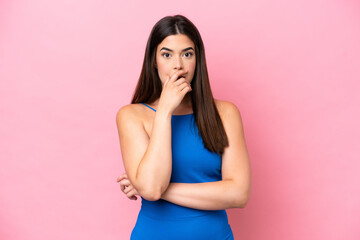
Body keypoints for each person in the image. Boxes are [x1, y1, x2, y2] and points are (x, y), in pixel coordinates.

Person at [115, 14, 251, 240]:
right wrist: (165, 111)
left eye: (187, 54)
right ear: (153, 61)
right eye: (167, 55)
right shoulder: (131, 116)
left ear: (198, 60)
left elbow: (238, 194)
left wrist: (153, 190)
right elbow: (151, 188)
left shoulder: (226, 113)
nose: (178, 65)